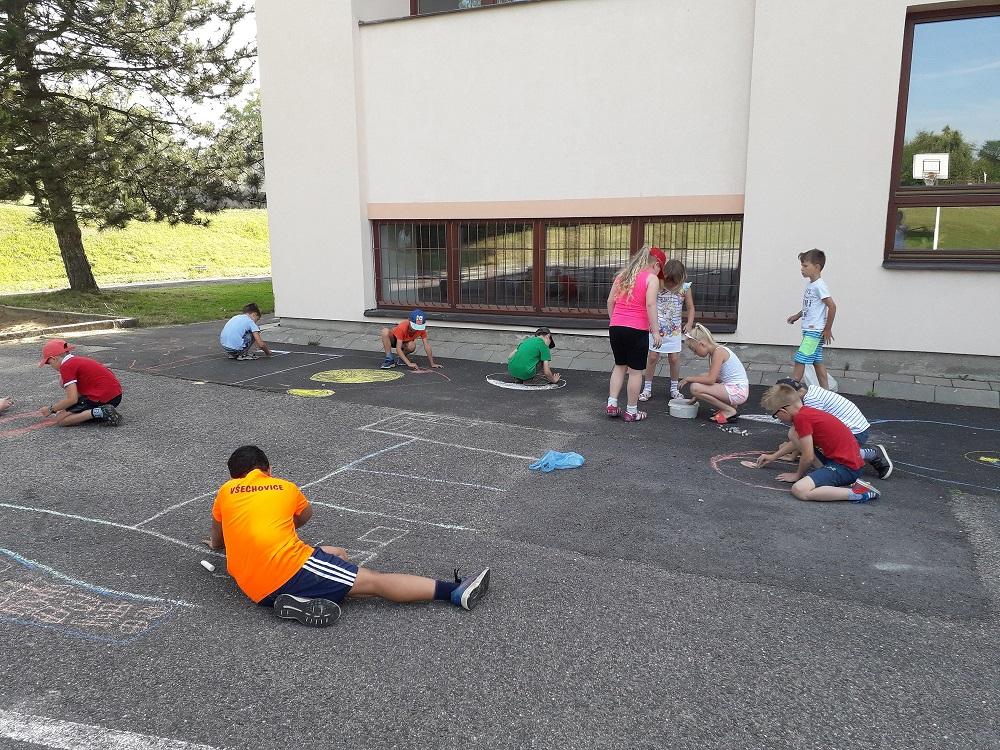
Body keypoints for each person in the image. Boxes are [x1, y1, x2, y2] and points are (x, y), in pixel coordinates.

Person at [206, 445, 490, 627]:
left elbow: (218, 536)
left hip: (253, 587)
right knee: (374, 581)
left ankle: (305, 595)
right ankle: (453, 592)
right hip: (286, 570)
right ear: (268, 469)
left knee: (338, 554)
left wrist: (216, 544)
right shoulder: (284, 487)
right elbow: (305, 516)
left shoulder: (225, 492)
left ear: (234, 477)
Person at [759, 384, 881, 503]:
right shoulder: (807, 412)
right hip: (845, 461)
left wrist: (797, 475)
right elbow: (798, 442)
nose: (778, 419)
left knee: (799, 489)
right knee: (793, 434)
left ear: (783, 411)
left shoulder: (802, 419)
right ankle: (827, 474)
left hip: (846, 468)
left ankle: (860, 492)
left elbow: (808, 456)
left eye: (775, 415)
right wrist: (773, 456)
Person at [756, 378, 893, 479]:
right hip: (855, 429)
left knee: (833, 459)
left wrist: (785, 455)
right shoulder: (810, 393)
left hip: (856, 433)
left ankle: (869, 453)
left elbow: (803, 435)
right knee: (803, 440)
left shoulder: (810, 404)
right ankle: (845, 461)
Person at [606, 245, 664, 422]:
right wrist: (655, 331)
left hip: (616, 327)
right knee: (636, 372)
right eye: (660, 269)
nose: (659, 273)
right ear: (656, 264)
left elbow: (610, 301)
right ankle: (631, 411)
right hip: (637, 329)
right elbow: (650, 304)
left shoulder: (622, 276)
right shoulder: (651, 279)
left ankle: (612, 404)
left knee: (619, 366)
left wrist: (615, 321)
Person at [640, 258, 695, 402]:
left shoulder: (685, 288)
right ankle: (647, 388)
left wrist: (689, 323)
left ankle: (674, 388)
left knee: (674, 358)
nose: (670, 285)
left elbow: (690, 308)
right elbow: (649, 302)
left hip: (674, 330)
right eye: (668, 281)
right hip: (656, 328)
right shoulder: (658, 285)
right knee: (653, 357)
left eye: (674, 282)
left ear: (680, 279)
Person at [36, 339, 123, 426]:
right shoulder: (75, 360)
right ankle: (100, 411)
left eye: (50, 363)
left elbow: (72, 399)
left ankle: (102, 411)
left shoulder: (66, 366)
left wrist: (51, 409)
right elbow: (76, 394)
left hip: (102, 397)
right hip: (115, 396)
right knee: (69, 412)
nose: (51, 366)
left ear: (54, 358)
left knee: (61, 419)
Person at [678, 323, 749, 424]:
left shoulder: (718, 353)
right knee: (702, 377)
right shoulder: (716, 351)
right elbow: (716, 378)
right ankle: (730, 407)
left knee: (695, 387)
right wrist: (695, 397)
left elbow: (711, 380)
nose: (695, 354)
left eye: (695, 350)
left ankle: (729, 410)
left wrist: (688, 378)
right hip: (737, 390)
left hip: (737, 392)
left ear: (702, 344)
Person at [786, 249, 836, 389]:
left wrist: (827, 329)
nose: (802, 269)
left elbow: (832, 306)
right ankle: (826, 391)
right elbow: (810, 307)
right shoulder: (811, 285)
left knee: (800, 359)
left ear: (817, 267)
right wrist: (797, 316)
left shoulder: (820, 286)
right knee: (817, 361)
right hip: (810, 330)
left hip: (814, 331)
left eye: (805, 266)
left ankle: (791, 387)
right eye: (801, 266)